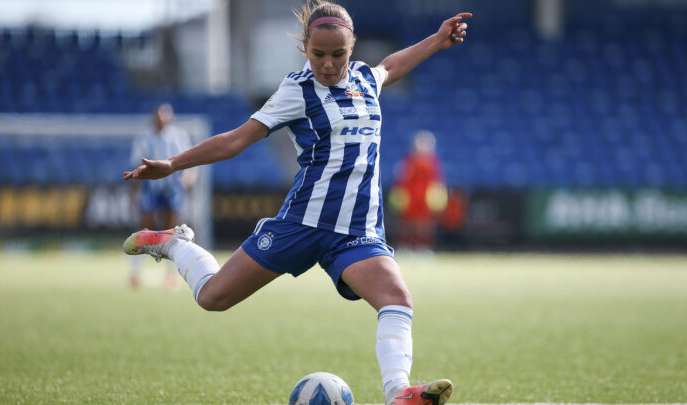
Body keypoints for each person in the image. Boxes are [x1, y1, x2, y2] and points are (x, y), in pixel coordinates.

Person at [122, 2, 470, 404]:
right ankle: (172, 242)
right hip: (302, 223)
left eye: (338, 54)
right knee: (213, 297)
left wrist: (437, 41)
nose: (328, 64)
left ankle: (399, 392)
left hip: (356, 234)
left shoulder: (363, 78)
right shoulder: (297, 91)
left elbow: (390, 65)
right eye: (318, 54)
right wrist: (173, 163)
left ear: (352, 46)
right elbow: (237, 138)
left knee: (397, 299)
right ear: (305, 47)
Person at [128, 103, 196, 290]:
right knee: (145, 229)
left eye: (165, 115)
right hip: (151, 188)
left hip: (172, 188)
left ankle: (171, 274)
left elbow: (190, 162)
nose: (161, 119)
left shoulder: (178, 136)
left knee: (171, 231)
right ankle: (135, 273)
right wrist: (134, 192)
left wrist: (188, 179)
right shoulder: (144, 139)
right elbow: (136, 166)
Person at [389, 130, 447, 253]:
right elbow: (401, 178)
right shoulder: (408, 160)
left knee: (425, 224)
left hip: (425, 197)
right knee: (407, 223)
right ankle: (405, 245)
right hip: (410, 196)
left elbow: (437, 181)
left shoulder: (433, 162)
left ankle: (423, 247)